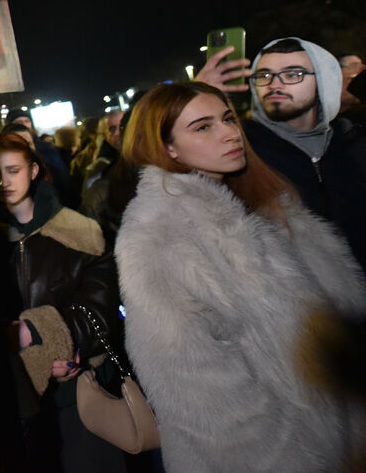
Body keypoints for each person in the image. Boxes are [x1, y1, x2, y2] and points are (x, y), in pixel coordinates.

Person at [115, 82, 366, 472]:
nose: (230, 132)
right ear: (168, 148)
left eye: (228, 118)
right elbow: (192, 385)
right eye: (203, 127)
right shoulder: (157, 234)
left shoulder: (264, 202)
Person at [0, 133, 125, 473]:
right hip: (11, 392)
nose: (4, 181)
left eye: (13, 170)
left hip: (76, 387)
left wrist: (57, 344)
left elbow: (101, 309)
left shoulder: (80, 232)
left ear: (33, 170)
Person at [198, 37, 366, 270]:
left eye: (292, 74)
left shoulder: (354, 142)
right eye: (264, 75)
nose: (274, 84)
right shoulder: (239, 150)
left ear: (325, 80)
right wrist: (196, 96)